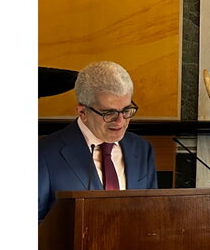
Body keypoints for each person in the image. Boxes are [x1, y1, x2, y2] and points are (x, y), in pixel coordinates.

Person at [38, 61, 157, 221]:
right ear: (82, 112)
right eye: (109, 113)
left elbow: (152, 214)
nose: (120, 122)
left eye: (126, 110)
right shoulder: (44, 154)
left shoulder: (142, 149)